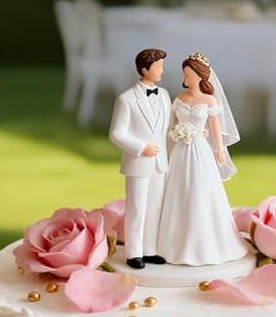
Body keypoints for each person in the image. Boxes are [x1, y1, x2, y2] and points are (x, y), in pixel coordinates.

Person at [154, 53, 250, 267]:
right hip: (180, 151)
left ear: (199, 76)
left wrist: (219, 150)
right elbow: (170, 124)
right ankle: (173, 243)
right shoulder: (180, 98)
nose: (185, 78)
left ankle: (206, 243)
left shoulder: (209, 101)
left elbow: (215, 128)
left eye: (188, 74)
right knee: (178, 191)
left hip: (200, 151)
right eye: (184, 74)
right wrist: (173, 137)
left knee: (200, 190)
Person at [107, 47, 171, 269]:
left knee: (154, 209)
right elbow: (116, 134)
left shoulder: (164, 95)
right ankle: (134, 253)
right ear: (145, 69)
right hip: (138, 163)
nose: (162, 70)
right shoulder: (126, 99)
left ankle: (150, 250)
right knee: (137, 209)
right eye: (158, 66)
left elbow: (167, 127)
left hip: (160, 164)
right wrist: (142, 147)